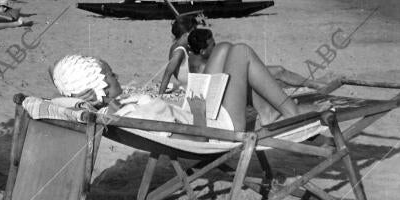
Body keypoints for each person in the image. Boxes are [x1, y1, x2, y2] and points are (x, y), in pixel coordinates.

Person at [50, 39, 303, 134]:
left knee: (225, 48)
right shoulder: (124, 112)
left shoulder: (114, 109)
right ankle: (294, 115)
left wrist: (83, 101)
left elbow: (57, 99)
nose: (117, 76)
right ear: (98, 87)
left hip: (196, 111)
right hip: (215, 128)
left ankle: (268, 114)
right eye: (112, 75)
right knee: (243, 53)